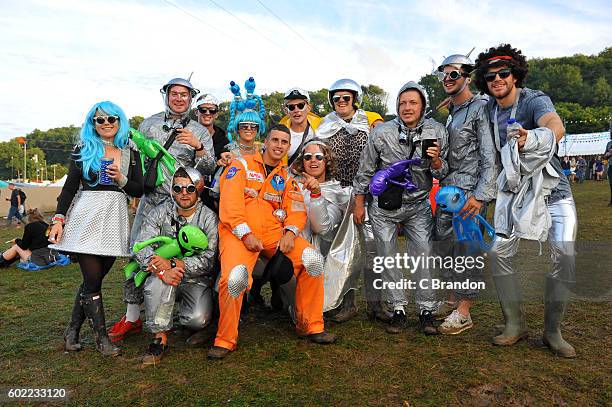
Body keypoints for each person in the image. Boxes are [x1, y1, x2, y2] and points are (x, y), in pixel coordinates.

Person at [474, 43, 578, 358]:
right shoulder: (488, 110)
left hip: (552, 190)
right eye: (490, 76)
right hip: (511, 191)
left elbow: (554, 126)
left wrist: (530, 138)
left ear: (515, 74)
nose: (497, 79)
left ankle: (552, 332)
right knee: (498, 253)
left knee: (565, 256)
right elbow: (490, 158)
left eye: (503, 73)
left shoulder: (533, 99)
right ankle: (514, 324)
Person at [208, 125, 336, 360]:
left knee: (313, 261)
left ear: (289, 147)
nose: (279, 145)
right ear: (264, 142)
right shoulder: (240, 165)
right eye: (275, 140)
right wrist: (246, 235)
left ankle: (310, 325)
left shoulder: (286, 177)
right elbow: (229, 206)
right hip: (238, 234)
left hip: (274, 235)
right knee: (235, 279)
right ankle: (225, 339)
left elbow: (297, 209)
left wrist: (290, 233)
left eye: (284, 142)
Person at [109, 77, 216, 343]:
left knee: (184, 253)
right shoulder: (149, 124)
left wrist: (199, 147)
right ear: (166, 95)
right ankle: (132, 316)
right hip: (151, 200)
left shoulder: (199, 130)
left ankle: (179, 307)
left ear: (191, 99)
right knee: (136, 252)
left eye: (184, 95)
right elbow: (135, 159)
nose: (179, 98)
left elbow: (209, 169)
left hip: (183, 203)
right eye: (174, 93)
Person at [48, 101, 144, 356]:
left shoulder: (131, 151)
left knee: (95, 280)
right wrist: (58, 219)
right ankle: (102, 340)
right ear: (93, 124)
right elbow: (69, 188)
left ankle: (72, 331)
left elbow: (139, 189)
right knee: (91, 280)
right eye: (99, 120)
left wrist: (120, 179)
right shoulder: (83, 149)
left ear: (120, 122)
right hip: (87, 215)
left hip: (115, 217)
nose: (106, 124)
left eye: (111, 119)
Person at [354, 81, 449, 335]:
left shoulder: (437, 130)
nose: (407, 107)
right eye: (402, 103)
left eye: (413, 102)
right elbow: (365, 169)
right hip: (384, 205)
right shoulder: (381, 132)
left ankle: (426, 310)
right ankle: (398, 309)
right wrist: (360, 202)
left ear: (422, 105)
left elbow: (444, 170)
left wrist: (437, 159)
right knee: (388, 255)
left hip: (418, 204)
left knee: (424, 254)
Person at [432, 54, 498, 334]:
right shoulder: (452, 113)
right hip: (448, 191)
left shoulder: (481, 107)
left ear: (467, 77)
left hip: (469, 194)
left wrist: (481, 196)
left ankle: (464, 311)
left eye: (454, 74)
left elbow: (489, 155)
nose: (448, 79)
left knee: (467, 252)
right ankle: (451, 298)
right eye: (444, 75)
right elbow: (451, 160)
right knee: (445, 248)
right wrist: (437, 163)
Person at [315, 78, 383, 323]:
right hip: (335, 193)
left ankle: (377, 304)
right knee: (340, 250)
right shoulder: (325, 125)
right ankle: (347, 302)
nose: (341, 102)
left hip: (366, 194)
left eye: (346, 98)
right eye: (336, 99)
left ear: (355, 99)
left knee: (373, 248)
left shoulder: (370, 122)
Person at [138, 167, 218, 366]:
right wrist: (163, 270)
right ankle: (159, 339)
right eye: (178, 188)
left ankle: (200, 321)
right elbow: (140, 247)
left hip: (195, 279)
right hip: (163, 275)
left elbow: (209, 259)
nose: (184, 193)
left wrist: (174, 263)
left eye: (190, 188)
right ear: (172, 190)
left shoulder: (209, 217)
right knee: (156, 284)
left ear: (198, 190)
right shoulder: (158, 212)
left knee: (196, 320)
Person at [291, 139, 360, 316]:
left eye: (319, 157)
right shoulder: (292, 186)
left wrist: (316, 194)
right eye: (308, 157)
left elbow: (321, 228)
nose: (313, 160)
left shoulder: (338, 193)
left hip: (322, 254)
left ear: (326, 161)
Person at [194, 93, 229, 211]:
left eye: (212, 110)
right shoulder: (187, 134)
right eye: (203, 110)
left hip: (212, 196)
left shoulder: (223, 138)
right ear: (196, 112)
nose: (207, 114)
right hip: (188, 192)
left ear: (217, 114)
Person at [280, 88, 319, 165]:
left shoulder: (322, 128)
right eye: (291, 107)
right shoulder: (279, 133)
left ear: (308, 108)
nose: (296, 110)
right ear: (286, 111)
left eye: (300, 106)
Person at [604, 134, 612, 205]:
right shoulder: (609, 144)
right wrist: (607, 155)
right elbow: (605, 155)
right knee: (611, 183)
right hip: (611, 166)